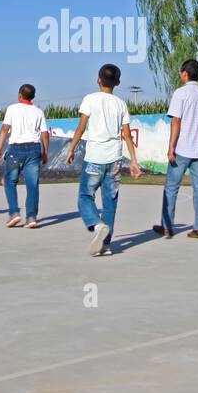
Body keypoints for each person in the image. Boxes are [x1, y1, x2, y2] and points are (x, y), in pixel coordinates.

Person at [67, 64, 142, 256]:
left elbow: (81, 127)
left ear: (98, 79)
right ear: (117, 82)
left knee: (85, 196)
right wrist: (133, 161)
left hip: (94, 158)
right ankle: (106, 245)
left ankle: (97, 225)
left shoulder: (90, 99)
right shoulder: (121, 104)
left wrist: (72, 148)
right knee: (110, 202)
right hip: (115, 159)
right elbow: (127, 135)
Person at [152, 59, 198, 239]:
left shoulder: (180, 94)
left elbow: (176, 121)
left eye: (181, 72)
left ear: (185, 74)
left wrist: (171, 146)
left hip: (182, 148)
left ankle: (167, 226)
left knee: (171, 187)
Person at [0, 84, 49, 228]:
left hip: (16, 149)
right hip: (34, 149)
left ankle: (14, 213)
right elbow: (45, 133)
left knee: (9, 181)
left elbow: (5, 129)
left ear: (19, 95)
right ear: (33, 96)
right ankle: (31, 217)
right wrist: (45, 152)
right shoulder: (39, 112)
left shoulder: (12, 108)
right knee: (32, 184)